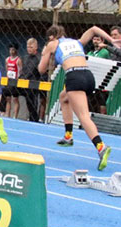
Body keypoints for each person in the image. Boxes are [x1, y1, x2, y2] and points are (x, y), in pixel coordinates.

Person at [38, 25, 113, 170]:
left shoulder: (52, 44)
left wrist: (45, 53)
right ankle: (68, 136)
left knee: (84, 116)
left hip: (74, 77)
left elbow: (41, 69)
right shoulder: (76, 41)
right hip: (88, 75)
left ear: (51, 37)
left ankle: (101, 147)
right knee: (63, 97)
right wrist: (111, 41)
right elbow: (93, 29)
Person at [20, 38, 42, 122]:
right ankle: (2, 110)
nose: (29, 49)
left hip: (33, 84)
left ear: (36, 47)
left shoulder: (39, 58)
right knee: (6, 89)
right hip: (22, 81)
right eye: (28, 47)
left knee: (31, 100)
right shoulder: (25, 58)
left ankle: (34, 118)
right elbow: (23, 70)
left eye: (31, 47)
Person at [3, 44, 22, 119]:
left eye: (13, 50)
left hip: (15, 81)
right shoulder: (7, 59)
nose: (11, 51)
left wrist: (17, 78)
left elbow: (20, 70)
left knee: (15, 99)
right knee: (8, 98)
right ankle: (7, 114)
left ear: (16, 51)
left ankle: (15, 116)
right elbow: (7, 68)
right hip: (9, 80)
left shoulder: (18, 60)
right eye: (10, 50)